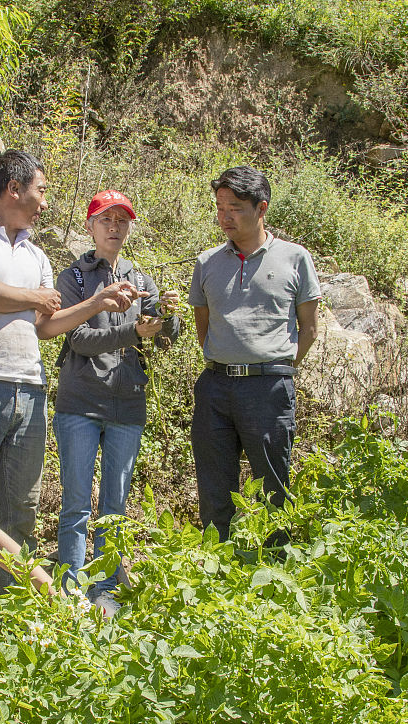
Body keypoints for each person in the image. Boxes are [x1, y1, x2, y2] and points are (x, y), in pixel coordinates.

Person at [0, 150, 133, 591]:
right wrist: (33, 297)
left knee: (22, 507)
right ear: (14, 189)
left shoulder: (37, 255)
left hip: (29, 388)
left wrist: (94, 304)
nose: (45, 202)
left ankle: (13, 611)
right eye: (41, 190)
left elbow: (46, 326)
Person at [54, 190, 182, 615]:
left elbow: (165, 334)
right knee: (76, 503)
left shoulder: (141, 279)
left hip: (128, 402)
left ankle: (104, 589)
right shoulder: (73, 278)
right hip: (80, 402)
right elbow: (78, 338)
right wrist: (134, 333)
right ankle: (70, 589)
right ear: (90, 226)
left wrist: (169, 316)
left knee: (115, 507)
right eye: (105, 219)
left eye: (121, 220)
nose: (114, 227)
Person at [188, 166, 320, 541]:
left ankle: (274, 567)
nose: (224, 216)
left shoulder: (295, 258)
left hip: (269, 388)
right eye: (219, 207)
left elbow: (309, 329)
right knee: (214, 484)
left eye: (234, 207)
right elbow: (204, 324)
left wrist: (276, 367)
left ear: (262, 208)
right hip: (215, 385)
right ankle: (217, 564)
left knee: (273, 485)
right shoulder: (207, 262)